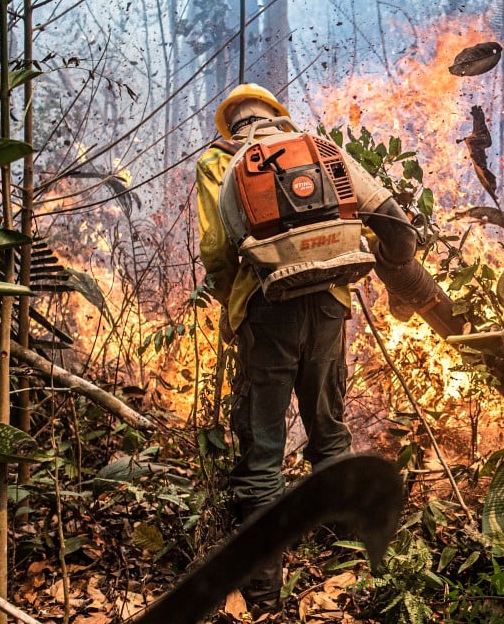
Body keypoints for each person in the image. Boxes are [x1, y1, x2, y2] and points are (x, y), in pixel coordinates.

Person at [195, 84, 460, 611]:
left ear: (232, 126)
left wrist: (233, 304)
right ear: (277, 116)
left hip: (267, 312)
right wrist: (390, 268)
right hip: (330, 308)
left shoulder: (219, 163)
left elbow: (217, 251)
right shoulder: (321, 150)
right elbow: (399, 229)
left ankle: (266, 598)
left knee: (264, 455)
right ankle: (352, 571)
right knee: (329, 434)